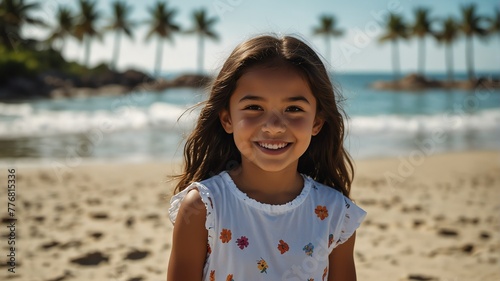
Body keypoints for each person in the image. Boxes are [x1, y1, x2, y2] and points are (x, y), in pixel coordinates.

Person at [167, 34, 366, 281]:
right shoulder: (203, 208)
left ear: (317, 122)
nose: (273, 126)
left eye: (294, 109)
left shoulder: (336, 215)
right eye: (254, 107)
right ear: (227, 119)